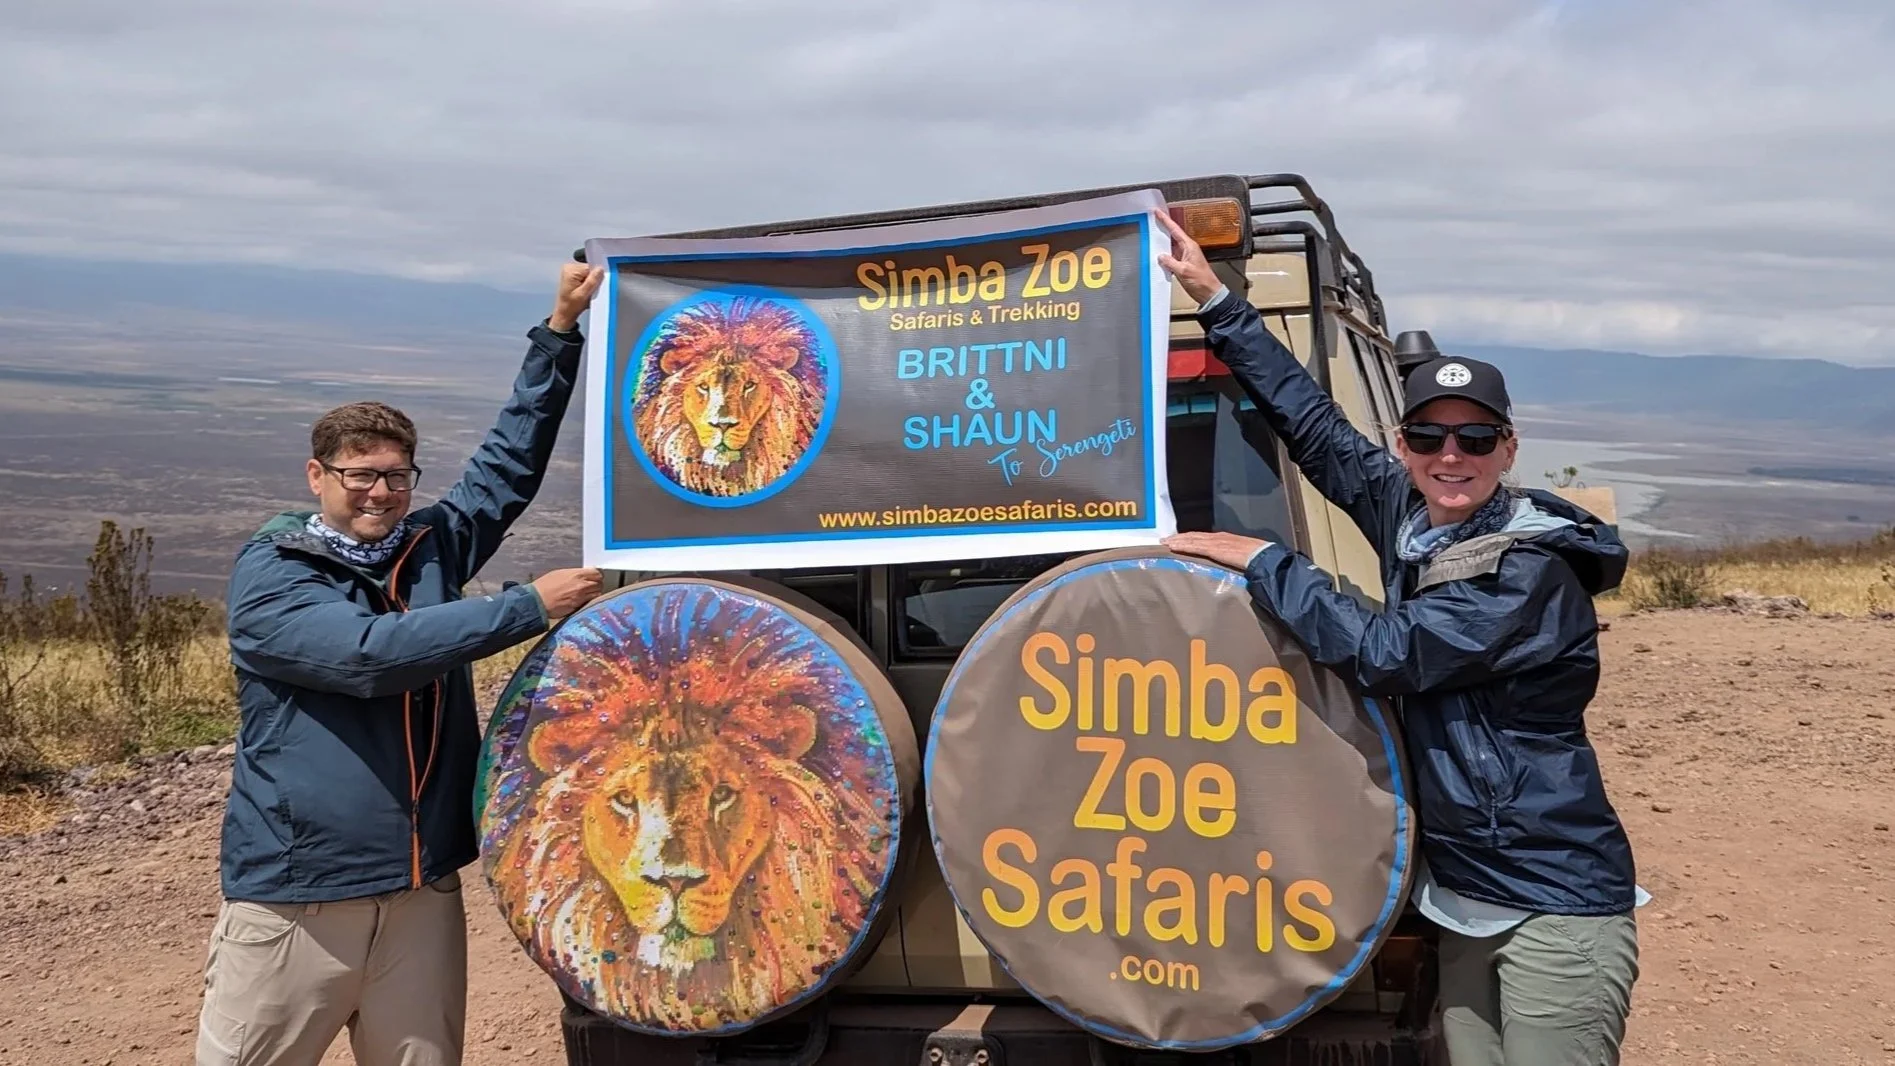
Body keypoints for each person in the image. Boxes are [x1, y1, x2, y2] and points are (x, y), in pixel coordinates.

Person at [1154, 211, 1642, 1065]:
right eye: (1427, 436)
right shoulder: (1411, 518)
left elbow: (1389, 652)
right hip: (1461, 894)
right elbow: (1314, 429)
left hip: (1550, 900)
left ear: (1508, 449)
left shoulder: (1526, 569)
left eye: (1474, 438)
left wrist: (1267, 559)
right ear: (1402, 444)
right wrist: (1214, 300)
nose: (1450, 455)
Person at [195, 263, 608, 1066]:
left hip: (422, 892)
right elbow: (368, 656)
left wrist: (559, 332)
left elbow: (506, 467)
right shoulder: (273, 574)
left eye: (395, 475)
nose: (380, 492)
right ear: (318, 476)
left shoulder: (428, 546)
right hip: (301, 900)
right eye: (360, 475)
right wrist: (526, 607)